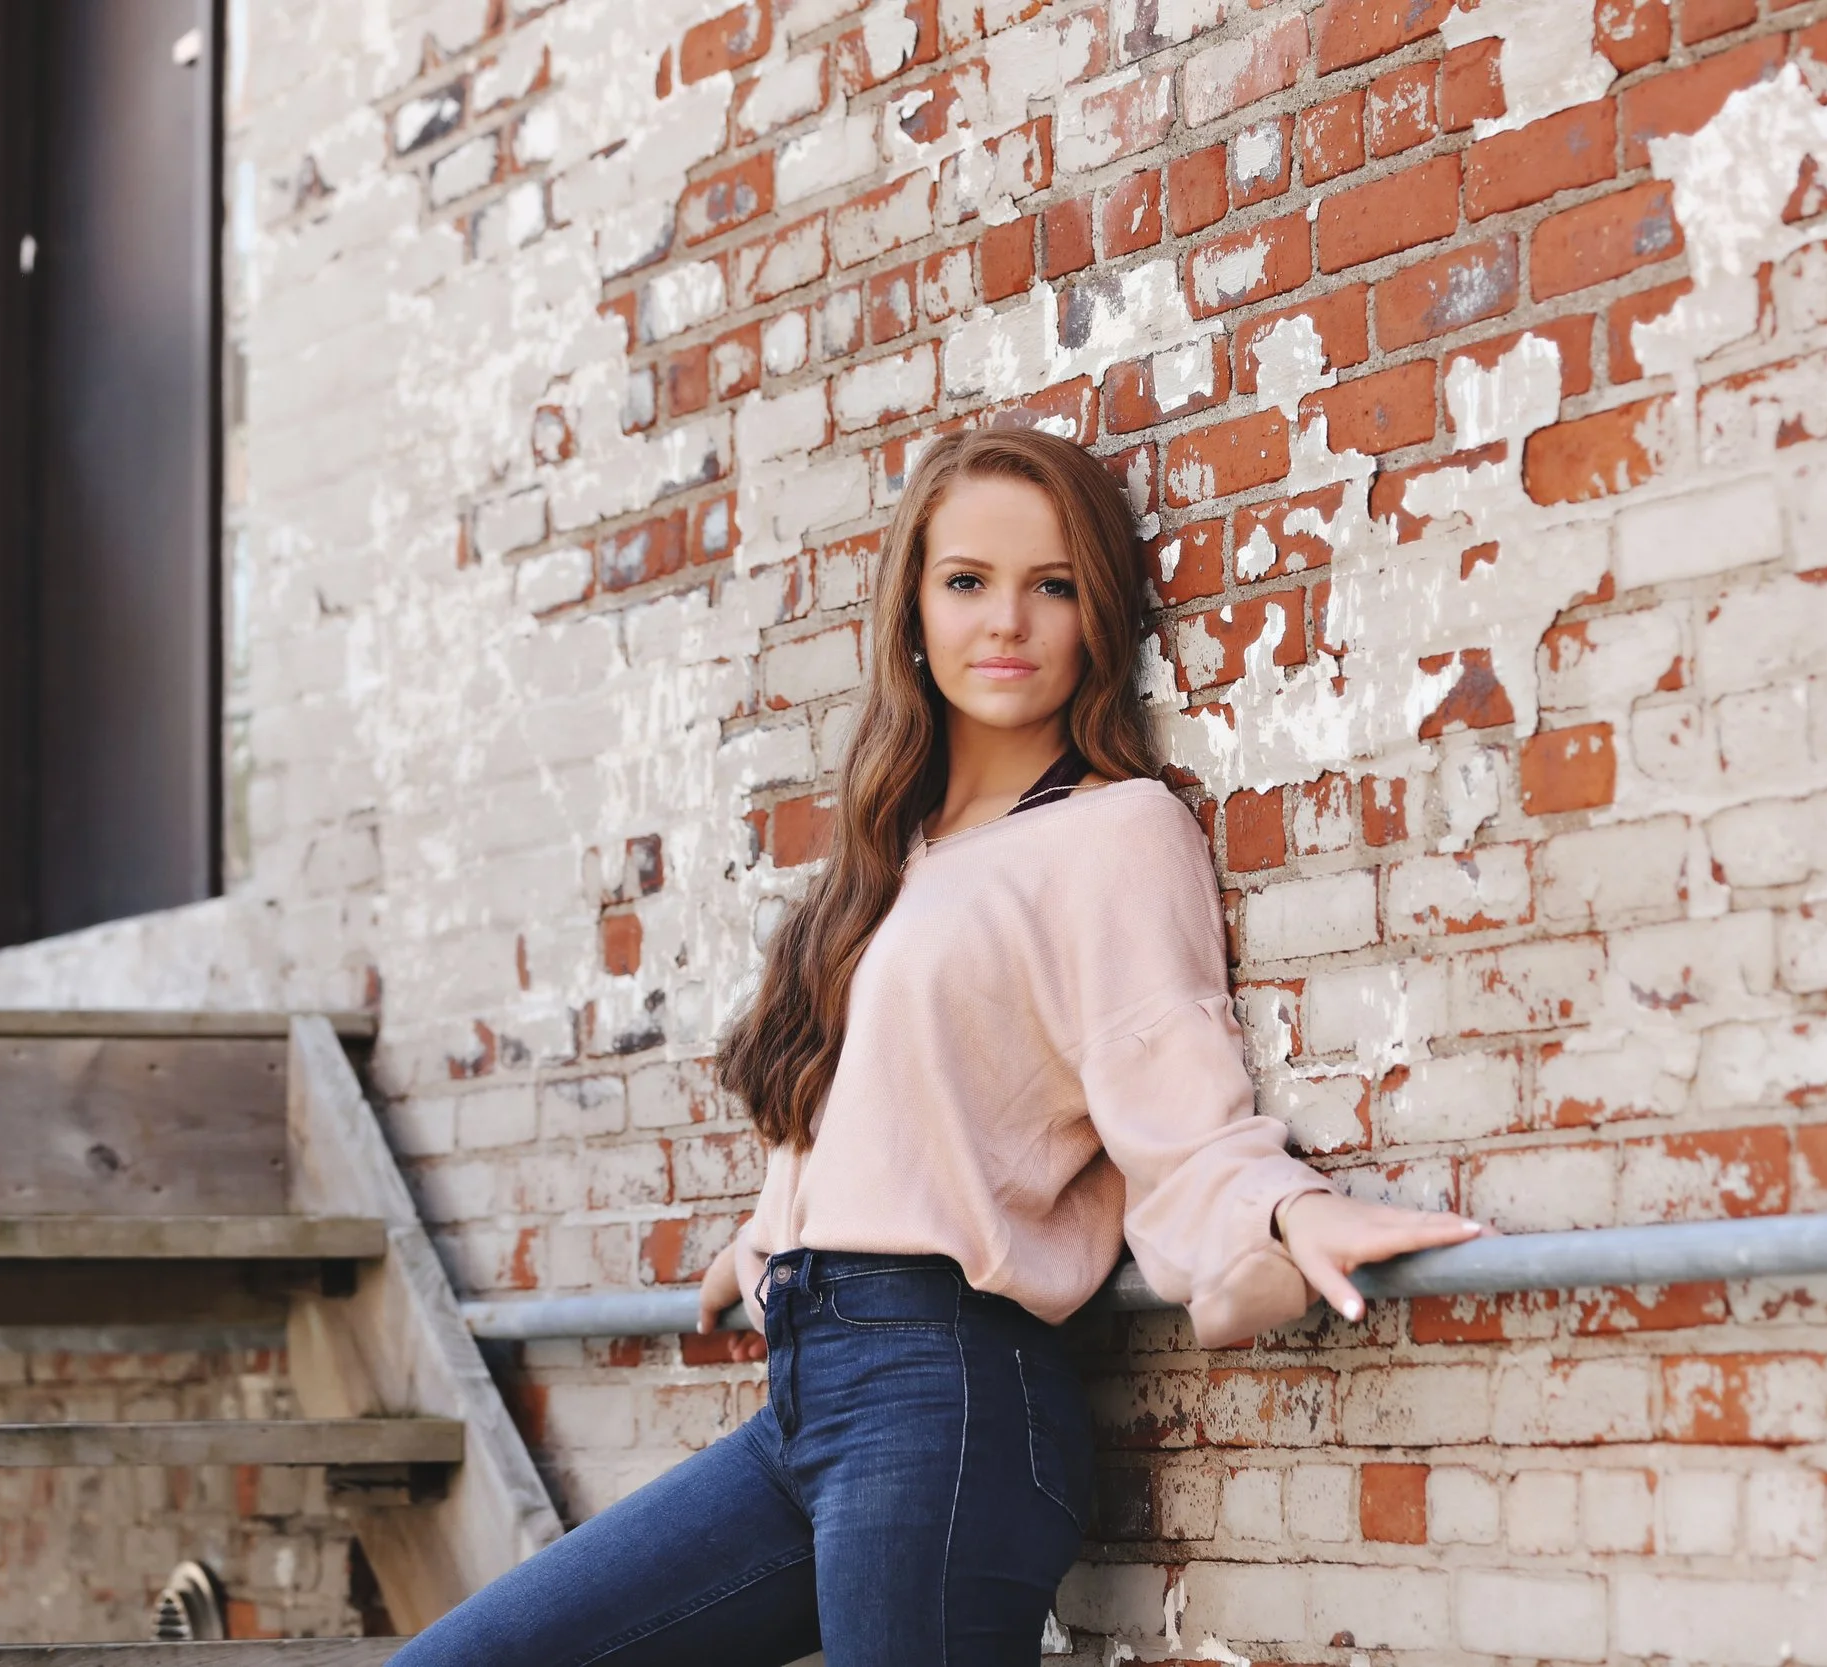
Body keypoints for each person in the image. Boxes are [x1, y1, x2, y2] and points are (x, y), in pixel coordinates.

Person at [389, 428, 1486, 1665]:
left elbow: (1173, 1096)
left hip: (946, 1397)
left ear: (1096, 615)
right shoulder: (888, 857)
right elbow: (883, 1104)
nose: (1006, 620)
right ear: (912, 605)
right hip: (808, 1392)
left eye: (1052, 584)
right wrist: (765, 1237)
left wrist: (1285, 1214)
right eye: (967, 580)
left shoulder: (1113, 832)